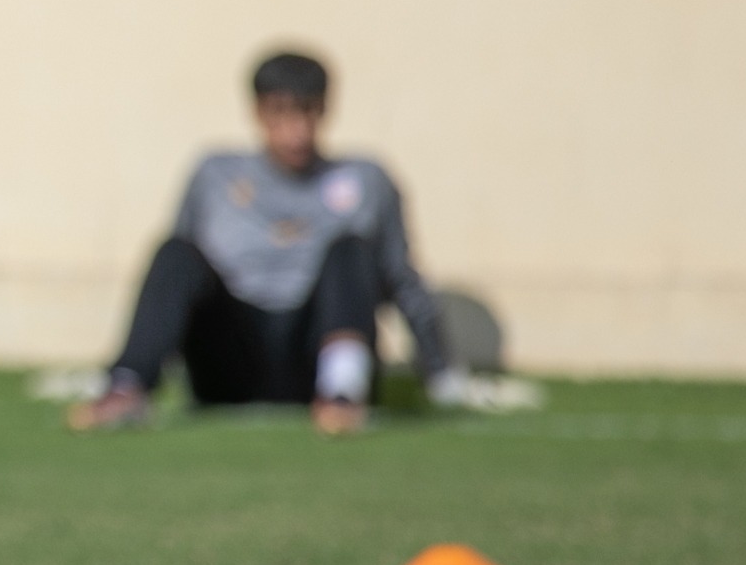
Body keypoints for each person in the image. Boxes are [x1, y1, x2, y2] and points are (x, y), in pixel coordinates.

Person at [68, 48, 457, 433]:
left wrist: (440, 372)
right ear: (257, 112)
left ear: (325, 110)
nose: (297, 131)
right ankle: (126, 387)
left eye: (308, 112)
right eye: (281, 113)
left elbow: (400, 275)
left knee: (350, 249)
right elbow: (175, 283)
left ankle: (342, 393)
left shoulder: (366, 178)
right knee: (175, 252)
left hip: (315, 352)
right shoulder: (214, 173)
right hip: (231, 360)